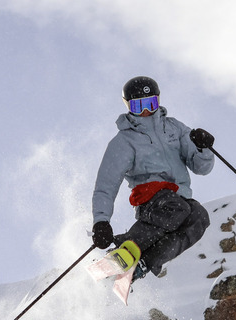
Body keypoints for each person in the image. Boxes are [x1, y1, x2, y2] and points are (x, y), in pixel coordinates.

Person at [91, 76, 215, 280]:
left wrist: (203, 148)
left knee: (199, 217)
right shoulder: (124, 140)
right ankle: (126, 247)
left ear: (158, 100)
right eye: (138, 106)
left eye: (151, 103)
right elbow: (106, 184)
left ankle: (143, 263)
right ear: (128, 107)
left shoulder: (174, 128)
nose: (146, 111)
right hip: (151, 200)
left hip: (179, 198)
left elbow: (201, 168)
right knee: (177, 208)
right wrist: (101, 221)